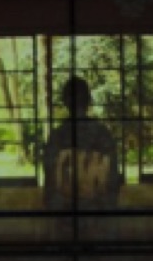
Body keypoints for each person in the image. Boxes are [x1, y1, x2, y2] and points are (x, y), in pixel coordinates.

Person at [43, 77, 122, 209]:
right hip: (97, 213)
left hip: (67, 214)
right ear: (89, 100)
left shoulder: (56, 137)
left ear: (64, 101)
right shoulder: (103, 134)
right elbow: (112, 182)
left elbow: (51, 187)